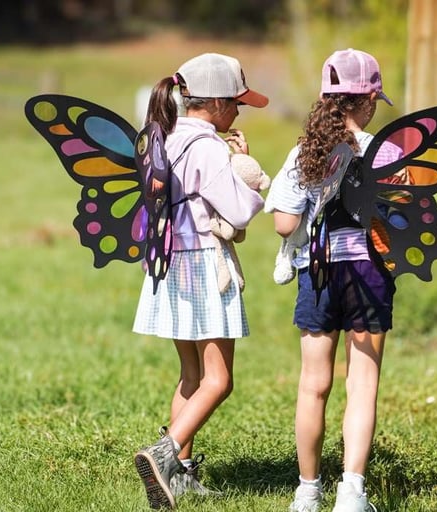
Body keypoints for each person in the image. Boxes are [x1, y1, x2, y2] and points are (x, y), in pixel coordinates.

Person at [264, 48, 403, 512]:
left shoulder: (304, 152)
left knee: (313, 385)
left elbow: (284, 223)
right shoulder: (387, 152)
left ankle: (307, 490)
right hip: (369, 271)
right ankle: (353, 493)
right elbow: (404, 213)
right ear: (367, 102)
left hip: (319, 273)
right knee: (362, 383)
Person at [132, 52, 269, 510]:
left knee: (191, 374)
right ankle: (164, 452)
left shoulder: (165, 136)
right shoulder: (210, 147)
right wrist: (245, 170)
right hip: (204, 264)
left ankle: (182, 476)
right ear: (215, 103)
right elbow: (237, 209)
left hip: (169, 261)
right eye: (237, 103)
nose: (239, 112)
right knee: (219, 379)